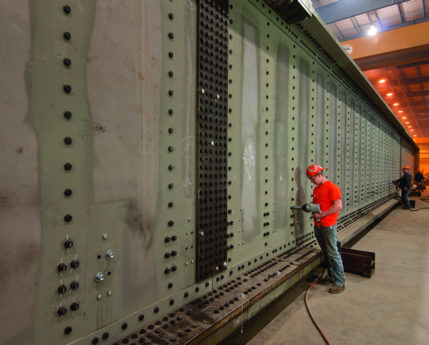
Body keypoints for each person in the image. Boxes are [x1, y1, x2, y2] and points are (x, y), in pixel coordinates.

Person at [306, 164, 345, 294]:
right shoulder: (317, 189)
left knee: (333, 253)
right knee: (327, 253)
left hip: (328, 225)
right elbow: (318, 204)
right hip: (319, 225)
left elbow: (338, 206)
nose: (311, 181)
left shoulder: (332, 187)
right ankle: (332, 276)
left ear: (319, 175)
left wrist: (322, 215)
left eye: (312, 179)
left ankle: (340, 282)